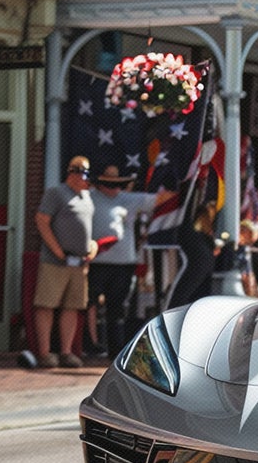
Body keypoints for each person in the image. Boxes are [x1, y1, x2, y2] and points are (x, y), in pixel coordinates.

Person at [86, 163, 174, 359]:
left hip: (124, 263)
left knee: (117, 307)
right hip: (95, 261)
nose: (114, 188)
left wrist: (184, 183)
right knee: (90, 302)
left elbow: (163, 199)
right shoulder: (89, 197)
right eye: (108, 184)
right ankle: (92, 343)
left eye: (118, 184)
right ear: (99, 184)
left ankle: (116, 349)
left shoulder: (130, 199)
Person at [32, 155, 98, 368]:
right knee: (47, 304)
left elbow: (89, 229)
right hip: (56, 260)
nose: (83, 177)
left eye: (86, 172)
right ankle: (44, 352)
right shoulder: (56, 193)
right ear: (70, 172)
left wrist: (93, 247)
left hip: (79, 263)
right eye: (78, 171)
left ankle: (66, 352)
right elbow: (42, 221)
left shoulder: (87, 197)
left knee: (72, 306)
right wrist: (58, 250)